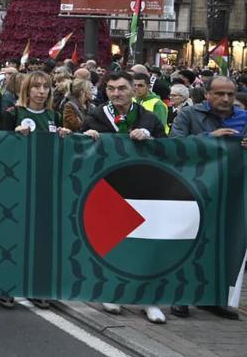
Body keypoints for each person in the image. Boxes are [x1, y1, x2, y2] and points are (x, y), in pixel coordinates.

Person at [78, 71, 166, 323]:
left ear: (133, 90)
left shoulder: (148, 117)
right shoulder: (95, 116)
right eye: (112, 89)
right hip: (107, 188)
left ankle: (148, 299)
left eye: (122, 88)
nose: (117, 93)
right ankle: (111, 291)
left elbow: (168, 147)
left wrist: (150, 139)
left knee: (144, 245)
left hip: (141, 188)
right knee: (111, 243)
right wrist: (87, 138)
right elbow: (81, 148)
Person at [169, 76, 246, 320]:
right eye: (220, 94)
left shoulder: (244, 118)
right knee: (189, 243)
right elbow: (174, 145)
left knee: (220, 245)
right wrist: (210, 138)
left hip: (229, 192)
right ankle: (181, 296)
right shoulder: (189, 115)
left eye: (230, 95)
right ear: (207, 95)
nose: (226, 99)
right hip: (194, 190)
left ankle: (212, 298)